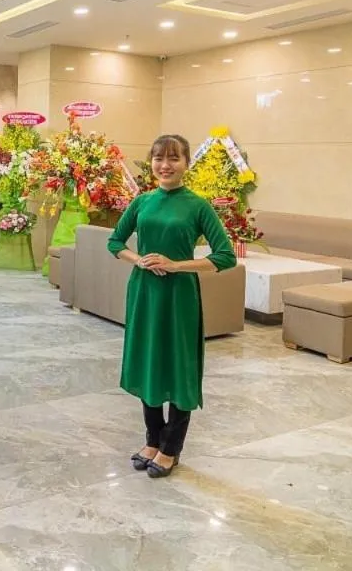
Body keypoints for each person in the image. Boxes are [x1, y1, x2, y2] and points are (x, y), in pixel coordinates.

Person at [106, 134, 236, 478]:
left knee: (178, 365)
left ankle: (172, 447)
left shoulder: (197, 205)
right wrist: (138, 260)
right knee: (148, 360)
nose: (165, 165)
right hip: (145, 292)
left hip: (180, 295)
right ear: (151, 162)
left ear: (186, 164)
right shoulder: (142, 202)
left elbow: (226, 256)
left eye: (174, 158)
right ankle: (152, 438)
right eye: (159, 158)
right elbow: (115, 242)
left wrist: (176, 264)